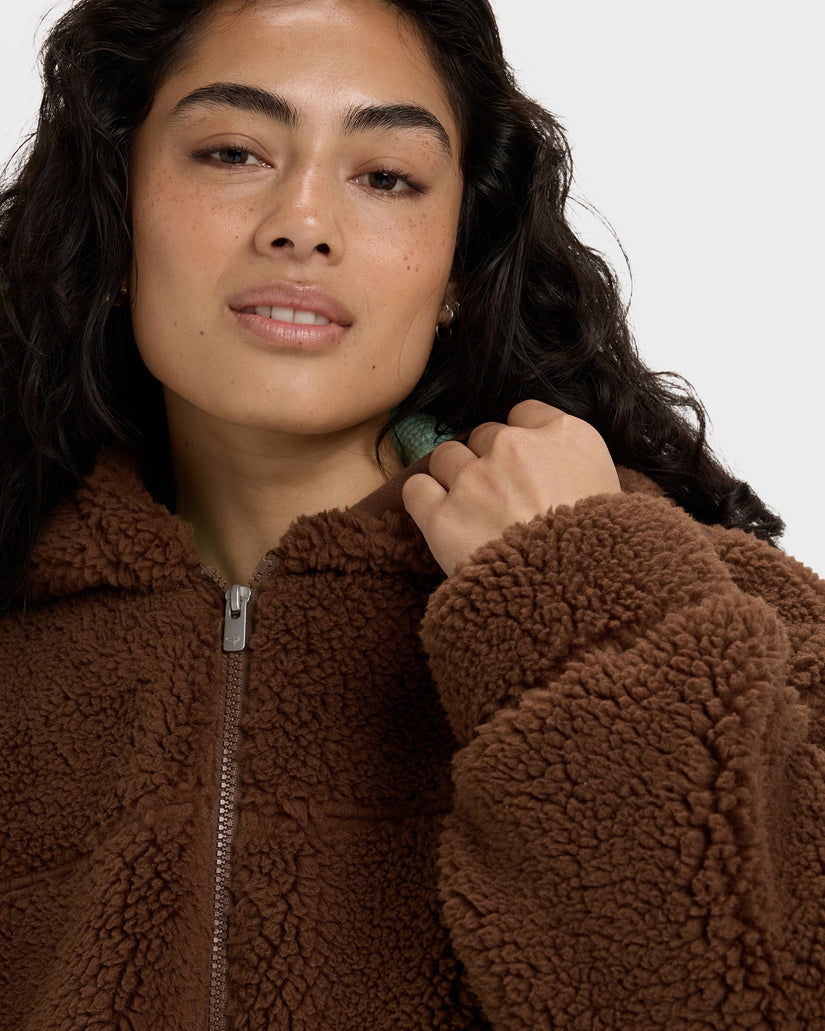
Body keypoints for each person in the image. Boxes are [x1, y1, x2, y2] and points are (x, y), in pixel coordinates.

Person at [0, 0, 822, 1027]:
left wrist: (571, 598)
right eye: (232, 153)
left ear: (457, 269)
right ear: (116, 221)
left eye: (386, 176)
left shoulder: (714, 618)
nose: (302, 221)